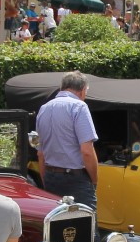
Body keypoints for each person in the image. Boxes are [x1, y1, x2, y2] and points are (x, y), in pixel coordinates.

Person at [35, 72, 99, 210]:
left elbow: (41, 154)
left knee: (57, 226)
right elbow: (87, 151)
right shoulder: (79, 107)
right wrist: (94, 181)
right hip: (76, 179)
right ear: (82, 91)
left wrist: (45, 180)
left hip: (51, 176)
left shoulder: (43, 109)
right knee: (86, 226)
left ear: (62, 88)